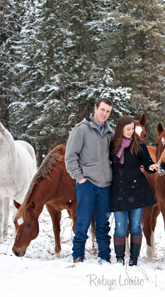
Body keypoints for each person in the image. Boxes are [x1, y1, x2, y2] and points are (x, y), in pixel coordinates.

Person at [65, 98, 114, 264]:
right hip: (88, 184)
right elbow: (70, 156)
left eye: (108, 111)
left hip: (106, 185)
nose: (104, 114)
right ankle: (78, 256)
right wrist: (80, 178)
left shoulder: (110, 132)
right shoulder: (81, 130)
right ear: (95, 108)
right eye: (102, 109)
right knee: (83, 222)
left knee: (103, 224)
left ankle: (104, 257)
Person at [109, 115, 159, 266]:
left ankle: (133, 259)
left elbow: (147, 161)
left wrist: (150, 167)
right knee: (120, 227)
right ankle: (119, 258)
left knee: (136, 226)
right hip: (118, 191)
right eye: (128, 129)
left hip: (137, 189)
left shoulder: (139, 145)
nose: (131, 132)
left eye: (132, 129)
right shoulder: (112, 146)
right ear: (120, 129)